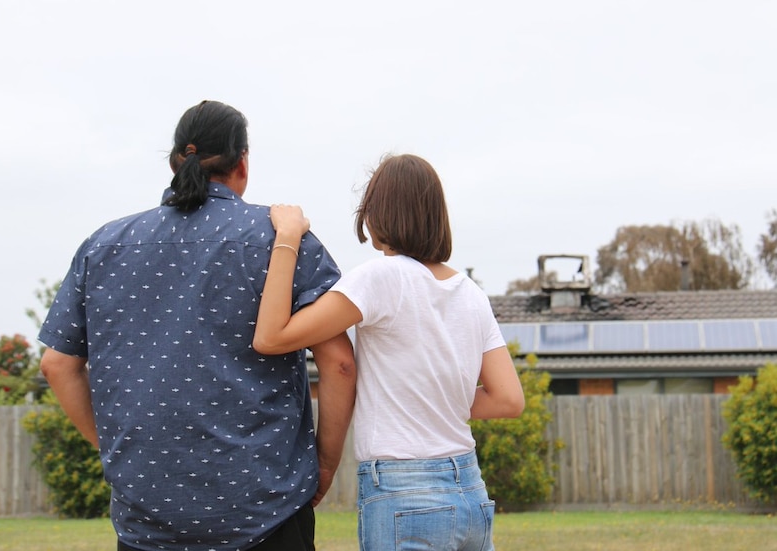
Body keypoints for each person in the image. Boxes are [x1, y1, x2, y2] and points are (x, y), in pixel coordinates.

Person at [38, 99, 356, 551]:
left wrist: (114, 452)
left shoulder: (102, 246)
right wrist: (324, 465)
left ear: (174, 162)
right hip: (269, 509)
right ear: (242, 162)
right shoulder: (281, 238)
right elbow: (339, 362)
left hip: (146, 518)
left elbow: (57, 364)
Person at [253, 153, 525, 551]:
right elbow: (508, 399)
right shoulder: (471, 294)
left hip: (405, 494)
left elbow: (271, 337)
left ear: (378, 214)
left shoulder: (382, 277)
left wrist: (287, 237)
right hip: (470, 491)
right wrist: (436, 402)